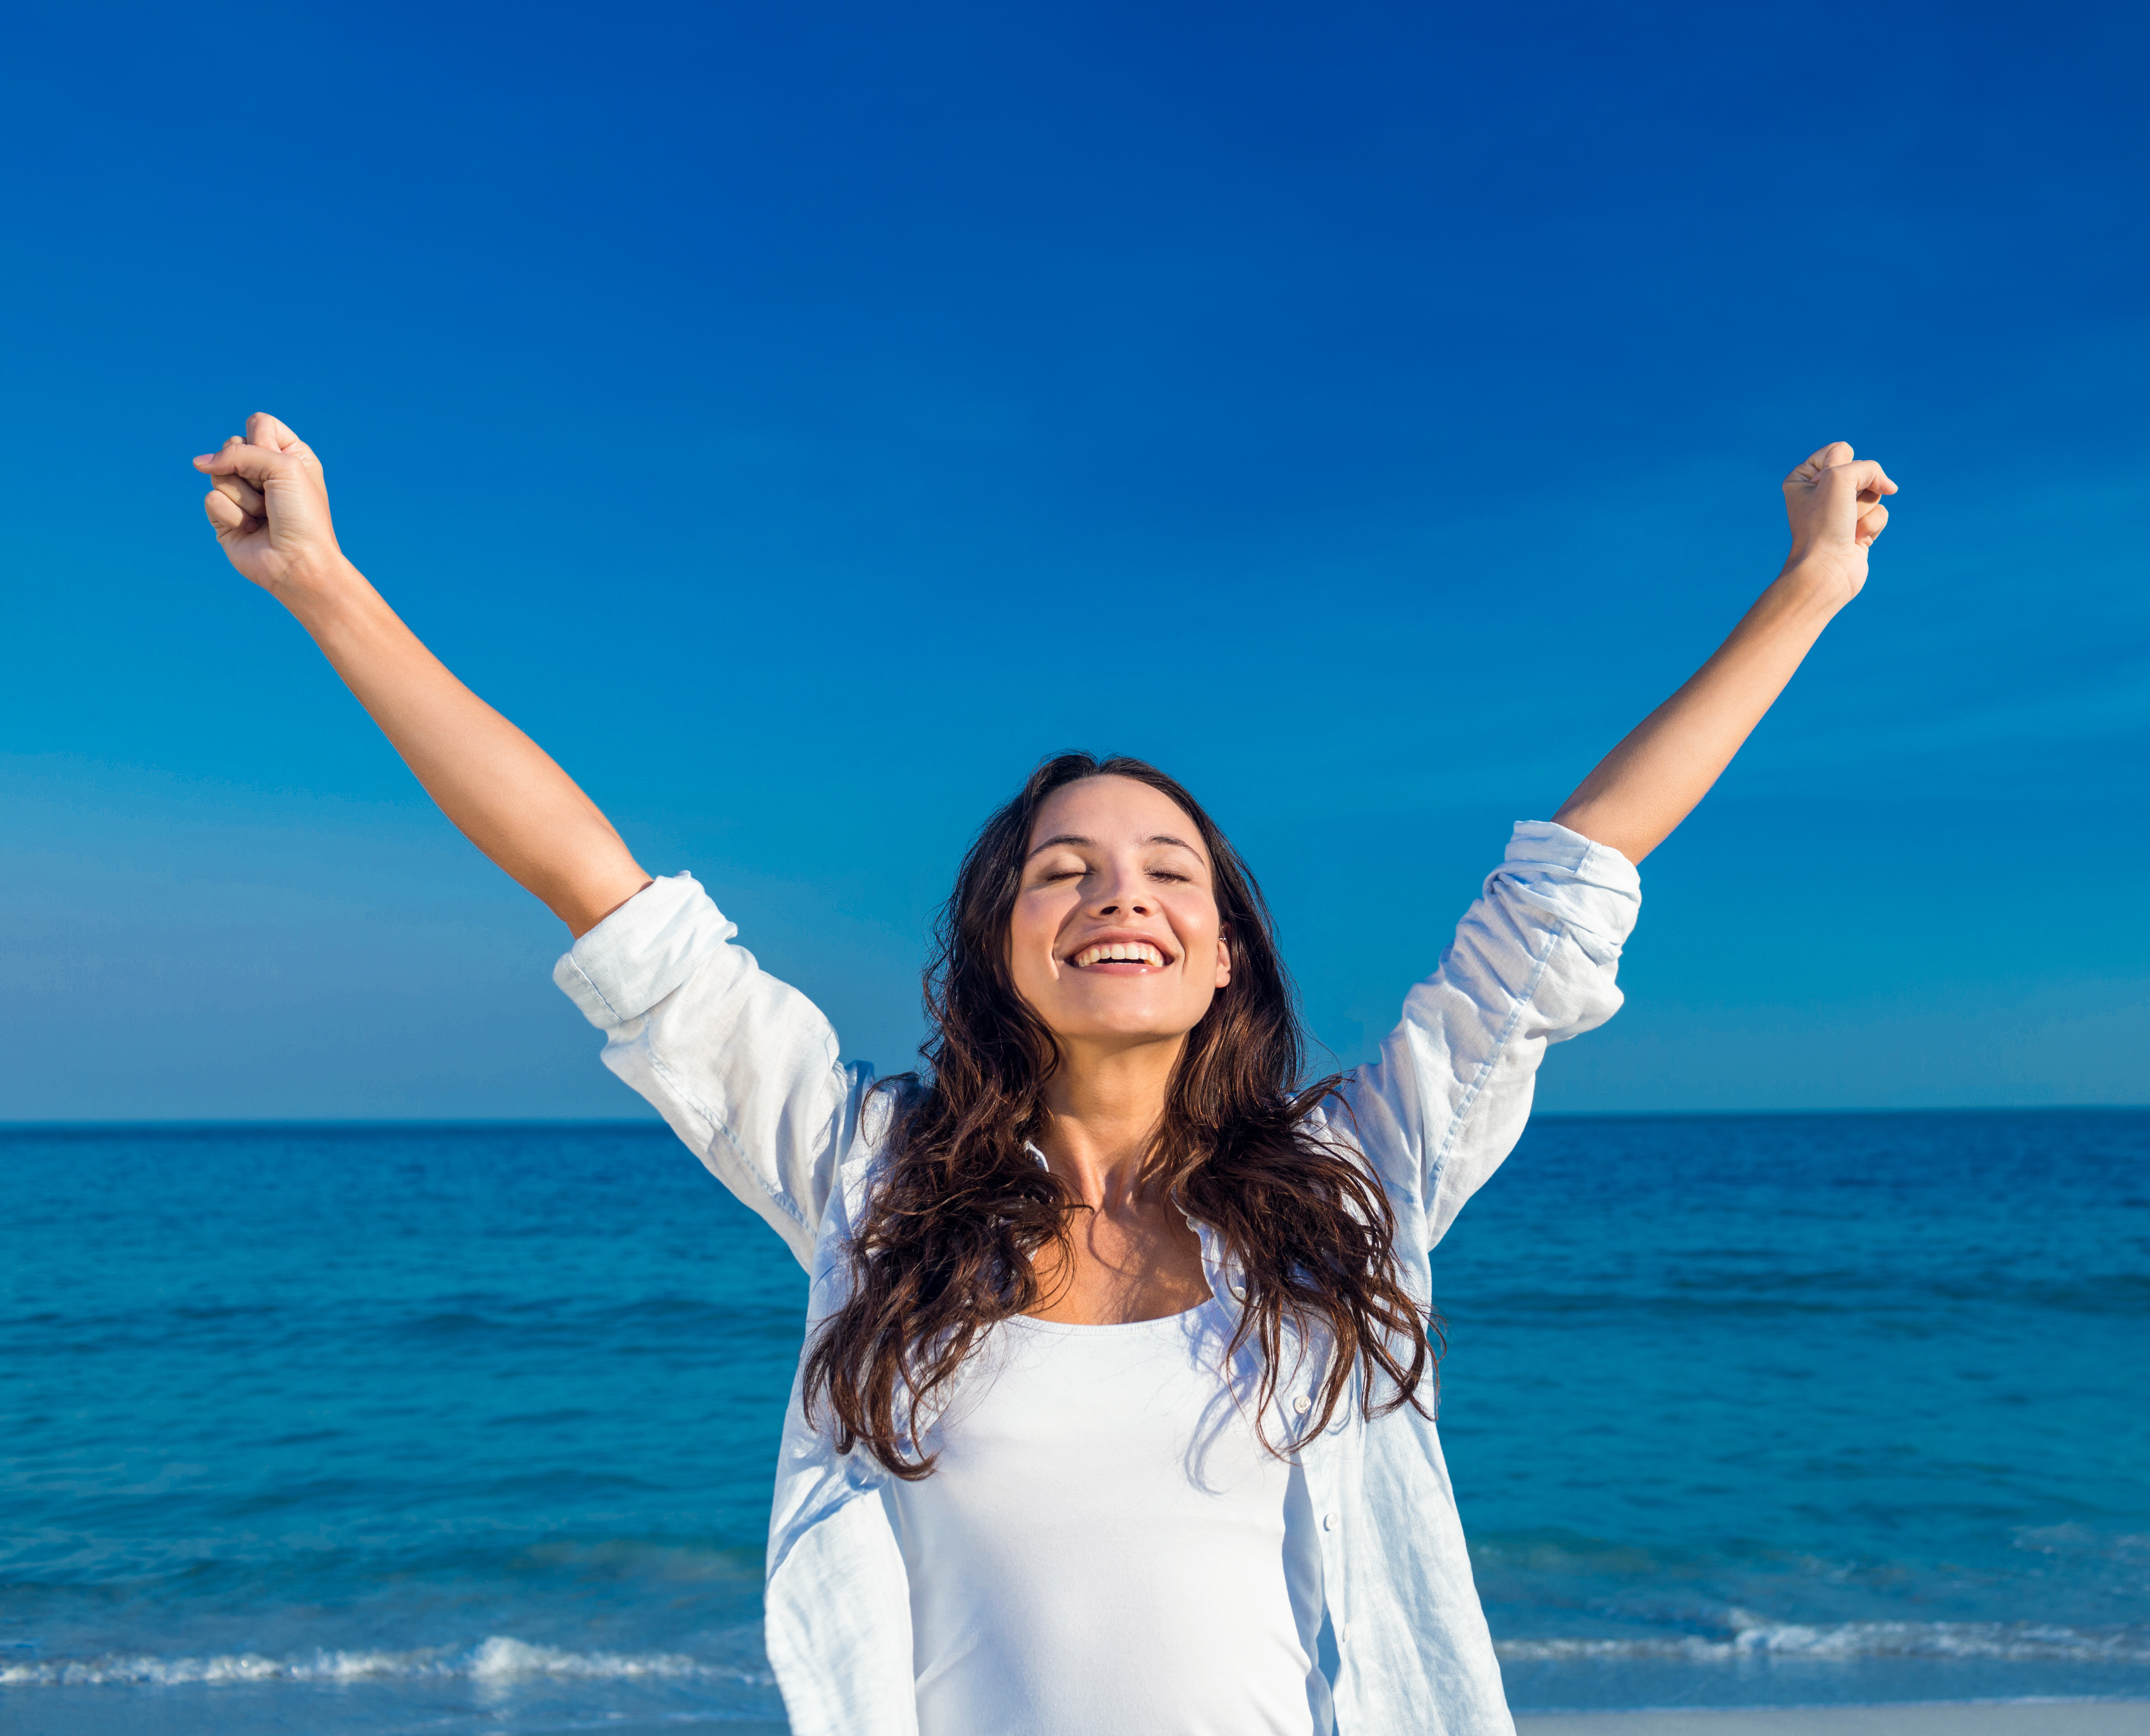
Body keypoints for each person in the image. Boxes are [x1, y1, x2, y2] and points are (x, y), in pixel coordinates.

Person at [190, 413, 1895, 1736]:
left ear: (1227, 946)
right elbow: (602, 893)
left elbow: (1572, 881)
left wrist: (1809, 588)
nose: (1119, 893)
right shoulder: (864, 1181)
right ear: (1000, 938)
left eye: (1168, 867)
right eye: (1062, 867)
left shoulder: (1358, 1183)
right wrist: (327, 589)